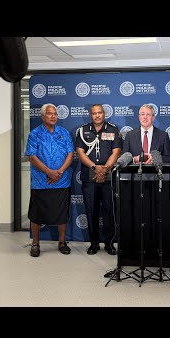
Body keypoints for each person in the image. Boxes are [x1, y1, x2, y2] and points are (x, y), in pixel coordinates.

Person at [25, 103, 74, 257]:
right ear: (42, 116)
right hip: (41, 181)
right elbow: (32, 156)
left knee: (61, 214)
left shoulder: (64, 133)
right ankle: (35, 243)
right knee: (37, 214)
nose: (53, 116)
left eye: (55, 114)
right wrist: (49, 172)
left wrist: (58, 172)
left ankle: (61, 242)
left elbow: (70, 154)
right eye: (49, 113)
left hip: (61, 180)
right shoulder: (35, 134)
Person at [75, 104, 122, 255]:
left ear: (104, 113)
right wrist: (96, 168)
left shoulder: (113, 129)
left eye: (99, 113)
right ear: (90, 115)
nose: (97, 115)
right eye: (94, 113)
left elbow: (116, 152)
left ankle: (109, 244)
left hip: (108, 176)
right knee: (91, 212)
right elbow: (80, 152)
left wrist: (105, 169)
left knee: (109, 212)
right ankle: (93, 244)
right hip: (89, 177)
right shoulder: (83, 131)